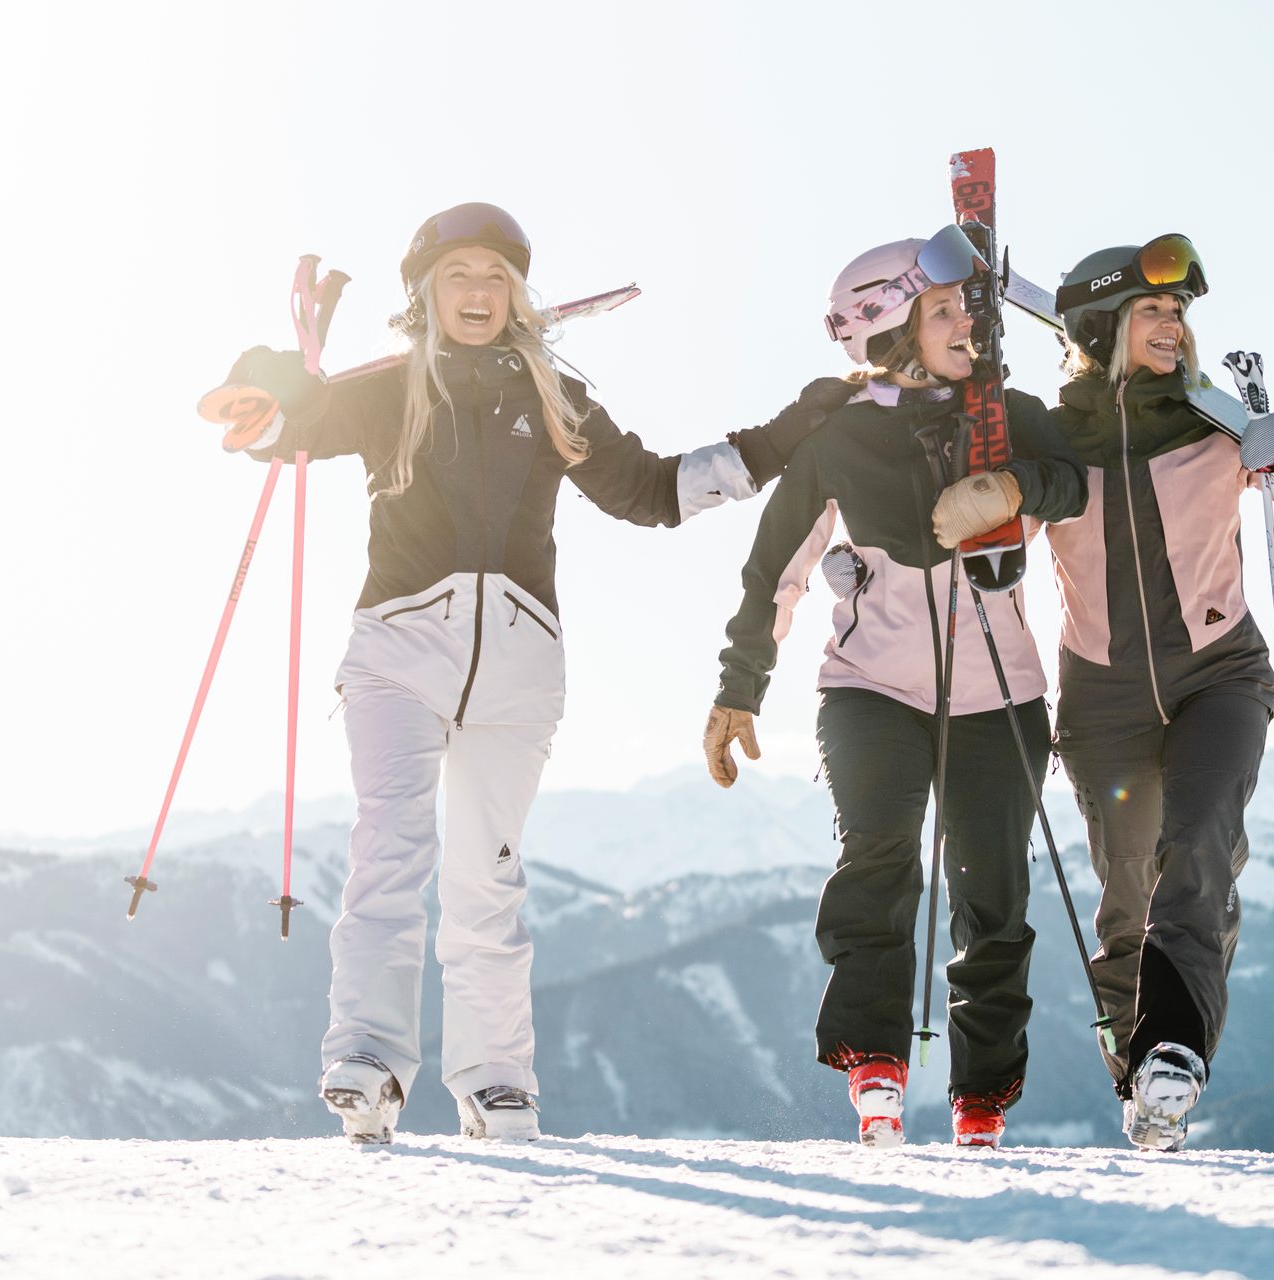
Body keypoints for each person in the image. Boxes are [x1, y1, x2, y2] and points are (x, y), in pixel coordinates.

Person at [218, 202, 851, 1144]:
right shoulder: (391, 388)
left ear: (516, 292)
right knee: (389, 850)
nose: (477, 293)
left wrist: (785, 435)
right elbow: (282, 432)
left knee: (491, 872)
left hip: (518, 662)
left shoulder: (550, 396)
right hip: (398, 650)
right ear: (424, 293)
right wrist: (258, 395)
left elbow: (653, 492)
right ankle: (366, 1059)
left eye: (493, 277)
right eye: (457, 276)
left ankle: (496, 1079)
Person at [700, 227, 1087, 1148]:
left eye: (968, 308)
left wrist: (1012, 486)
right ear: (887, 333)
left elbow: (1073, 482)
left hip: (1002, 691)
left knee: (993, 894)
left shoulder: (1009, 410)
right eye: (943, 310)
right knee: (878, 862)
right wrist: (739, 688)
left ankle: (981, 1098)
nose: (967, 323)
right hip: (872, 688)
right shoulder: (841, 438)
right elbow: (773, 572)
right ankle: (875, 1063)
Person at [1044, 235, 1274, 1150]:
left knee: (1198, 851)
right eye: (1152, 310)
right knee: (1125, 893)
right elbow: (985, 537)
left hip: (1220, 674)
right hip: (1101, 696)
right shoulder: (1049, 437)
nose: (1174, 326)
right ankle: (1138, 1078)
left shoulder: (1215, 422)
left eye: (1180, 311)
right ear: (1101, 327)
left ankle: (1176, 1053)